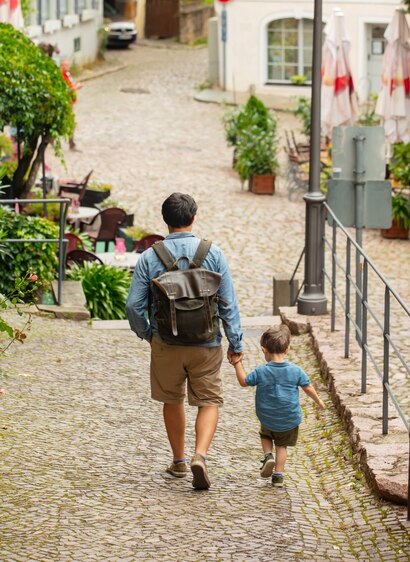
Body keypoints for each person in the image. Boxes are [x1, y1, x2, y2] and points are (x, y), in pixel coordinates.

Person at [126, 193, 243, 490]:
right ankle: (199, 455)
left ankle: (178, 460)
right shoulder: (213, 253)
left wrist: (148, 333)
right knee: (209, 401)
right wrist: (235, 343)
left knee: (172, 398)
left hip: (166, 342)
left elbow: (133, 306)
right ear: (193, 218)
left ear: (165, 220)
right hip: (207, 342)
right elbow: (228, 303)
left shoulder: (150, 257)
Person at [230, 324, 325, 487]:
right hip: (288, 418)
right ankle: (278, 475)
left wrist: (237, 364)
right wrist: (319, 401)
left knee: (265, 436)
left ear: (263, 349)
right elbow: (308, 387)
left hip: (267, 417)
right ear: (287, 350)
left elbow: (244, 382)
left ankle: (268, 455)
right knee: (282, 446)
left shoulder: (261, 371)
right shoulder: (296, 371)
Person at [60, 59, 83, 151]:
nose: (69, 67)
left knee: (69, 124)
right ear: (62, 66)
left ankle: (71, 143)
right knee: (70, 124)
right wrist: (76, 87)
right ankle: (71, 144)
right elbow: (66, 90)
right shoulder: (62, 76)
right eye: (67, 65)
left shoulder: (67, 75)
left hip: (69, 103)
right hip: (65, 104)